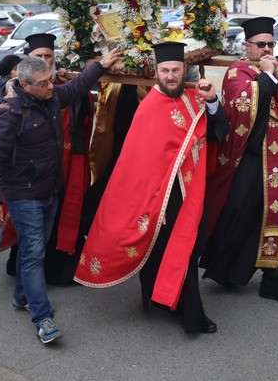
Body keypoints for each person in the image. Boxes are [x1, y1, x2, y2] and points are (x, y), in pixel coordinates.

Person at [75, 42, 229, 335]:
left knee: (187, 250)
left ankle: (160, 300)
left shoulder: (196, 97)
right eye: (165, 71)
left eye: (175, 70)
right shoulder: (149, 107)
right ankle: (190, 315)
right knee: (177, 251)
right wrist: (155, 204)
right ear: (156, 72)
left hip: (193, 190)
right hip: (162, 200)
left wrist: (212, 102)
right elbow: (138, 165)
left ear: (184, 70)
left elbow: (219, 132)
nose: (171, 76)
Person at [0, 48, 123, 344]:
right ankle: (43, 318)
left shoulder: (52, 97)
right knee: (34, 255)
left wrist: (101, 65)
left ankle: (21, 296)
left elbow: (77, 86)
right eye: (43, 83)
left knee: (36, 247)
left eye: (50, 81)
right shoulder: (8, 113)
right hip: (23, 196)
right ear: (25, 85)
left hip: (49, 191)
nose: (51, 86)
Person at [202, 16, 278, 306]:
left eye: (270, 44)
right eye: (260, 45)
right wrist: (268, 77)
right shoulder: (237, 72)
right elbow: (241, 104)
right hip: (250, 159)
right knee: (242, 215)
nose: (266, 50)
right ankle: (228, 270)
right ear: (248, 46)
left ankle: (273, 281)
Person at [24, 33, 96, 285]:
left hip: (70, 159)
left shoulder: (63, 84)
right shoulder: (20, 87)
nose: (44, 60)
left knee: (68, 206)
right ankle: (31, 278)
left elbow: (84, 105)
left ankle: (63, 270)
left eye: (48, 56)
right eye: (38, 56)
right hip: (38, 166)